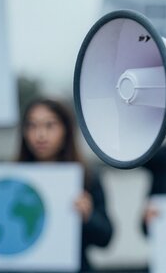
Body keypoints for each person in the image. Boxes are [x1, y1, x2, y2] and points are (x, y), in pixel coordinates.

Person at [17, 98, 113, 272]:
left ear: (66, 131)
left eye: (50, 125)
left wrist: (88, 216)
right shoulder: (10, 180)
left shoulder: (87, 177)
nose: (40, 135)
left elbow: (106, 238)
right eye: (32, 126)